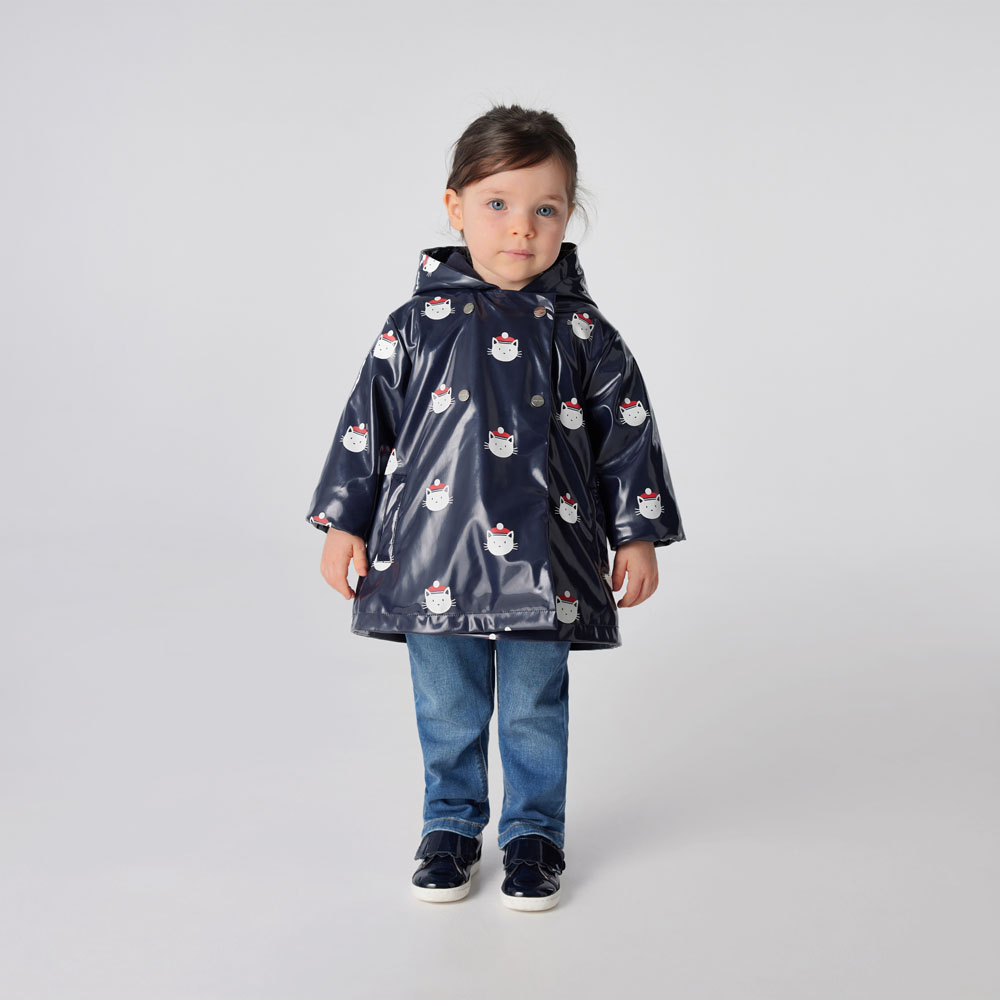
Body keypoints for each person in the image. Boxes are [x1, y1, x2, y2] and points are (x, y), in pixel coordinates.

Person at [305, 104, 685, 910]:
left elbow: (627, 435)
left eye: (545, 208)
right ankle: (449, 825)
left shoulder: (586, 334)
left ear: (568, 217)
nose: (521, 227)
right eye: (498, 204)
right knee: (447, 703)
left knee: (533, 707)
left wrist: (637, 535)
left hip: (550, 558)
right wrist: (346, 521)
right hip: (430, 552)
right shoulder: (415, 326)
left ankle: (533, 834)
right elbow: (367, 425)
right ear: (455, 207)